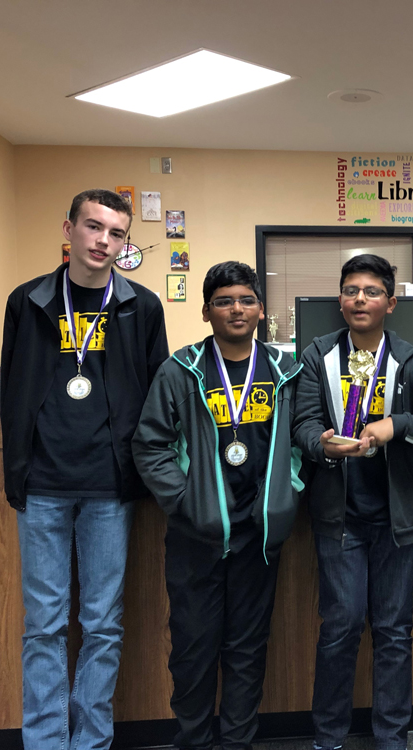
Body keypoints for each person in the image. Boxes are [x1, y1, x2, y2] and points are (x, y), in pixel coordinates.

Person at [0, 188, 169, 750]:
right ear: (68, 228)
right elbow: (14, 393)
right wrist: (17, 468)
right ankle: (47, 744)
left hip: (109, 488)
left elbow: (155, 396)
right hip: (43, 484)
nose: (103, 241)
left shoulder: (142, 306)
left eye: (116, 233)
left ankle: (91, 741)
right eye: (94, 227)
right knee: (43, 628)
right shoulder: (28, 301)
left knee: (102, 626)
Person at [291, 253, 413, 750]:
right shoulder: (316, 355)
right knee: (341, 628)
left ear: (390, 303)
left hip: (397, 521)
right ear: (340, 299)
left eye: (371, 291)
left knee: (393, 633)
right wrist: (319, 444)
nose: (359, 299)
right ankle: (327, 738)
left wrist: (398, 427)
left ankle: (392, 738)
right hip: (338, 519)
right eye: (351, 290)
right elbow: (301, 421)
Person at [133, 261, 304, 750]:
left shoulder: (282, 371)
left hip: (259, 533)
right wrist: (185, 502)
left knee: (248, 651)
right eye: (225, 301)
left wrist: (284, 493)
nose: (237, 309)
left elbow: (298, 442)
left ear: (260, 309)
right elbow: (151, 444)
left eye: (246, 300)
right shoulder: (180, 369)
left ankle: (237, 743)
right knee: (192, 650)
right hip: (197, 534)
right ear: (206, 310)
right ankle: (193, 741)